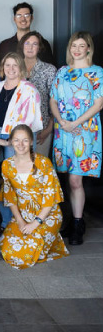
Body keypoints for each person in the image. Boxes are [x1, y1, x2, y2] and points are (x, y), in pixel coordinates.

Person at [50, 31, 103, 245]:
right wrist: (62, 121)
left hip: (84, 131)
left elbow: (99, 104)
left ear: (89, 48)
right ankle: (73, 220)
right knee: (66, 179)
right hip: (62, 130)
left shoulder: (97, 72)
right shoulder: (62, 71)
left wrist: (75, 122)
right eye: (74, 45)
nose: (78, 49)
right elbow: (53, 99)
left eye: (82, 46)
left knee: (75, 179)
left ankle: (78, 223)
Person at [0, 125, 69, 269]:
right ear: (11, 142)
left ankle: (51, 238)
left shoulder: (44, 163)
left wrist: (35, 223)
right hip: (23, 214)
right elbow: (10, 197)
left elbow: (51, 198)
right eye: (16, 140)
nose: (20, 144)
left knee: (27, 253)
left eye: (25, 140)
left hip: (47, 215)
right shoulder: (7, 165)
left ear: (31, 141)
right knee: (6, 248)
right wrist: (20, 221)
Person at [0, 52, 43, 159]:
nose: (11, 68)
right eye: (7, 65)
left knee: (18, 174)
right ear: (3, 67)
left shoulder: (29, 90)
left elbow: (28, 123)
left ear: (21, 67)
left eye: (15, 65)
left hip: (19, 140)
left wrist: (7, 142)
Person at [20, 31, 57, 157]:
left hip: (42, 130)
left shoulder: (49, 70)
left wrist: (48, 129)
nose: (30, 47)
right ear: (22, 46)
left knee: (39, 169)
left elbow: (54, 101)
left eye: (34, 44)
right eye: (27, 43)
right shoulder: (14, 68)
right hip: (18, 130)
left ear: (39, 48)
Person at [0, 2, 55, 67]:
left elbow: (50, 69)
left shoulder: (43, 43)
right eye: (19, 15)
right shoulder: (4, 45)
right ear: (14, 19)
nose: (23, 19)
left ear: (32, 18)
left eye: (26, 15)